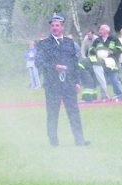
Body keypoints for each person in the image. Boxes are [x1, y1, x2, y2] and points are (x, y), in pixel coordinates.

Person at [35, 13, 90, 147]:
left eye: (57, 25)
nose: (54, 27)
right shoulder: (43, 44)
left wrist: (77, 82)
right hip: (52, 85)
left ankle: (80, 140)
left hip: (69, 84)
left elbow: (74, 63)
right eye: (52, 25)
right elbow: (39, 63)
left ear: (62, 27)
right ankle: (53, 142)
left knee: (74, 113)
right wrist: (54, 67)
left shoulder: (70, 43)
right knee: (53, 114)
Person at [91, 24, 122, 101]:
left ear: (106, 31)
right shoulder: (97, 40)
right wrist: (95, 52)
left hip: (112, 62)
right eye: (99, 30)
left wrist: (112, 52)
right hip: (101, 63)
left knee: (114, 78)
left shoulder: (114, 39)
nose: (99, 31)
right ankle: (104, 96)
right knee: (102, 79)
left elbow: (119, 49)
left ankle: (119, 95)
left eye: (101, 29)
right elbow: (91, 50)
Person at [81, 28, 108, 101]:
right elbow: (83, 49)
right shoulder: (86, 39)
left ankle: (102, 96)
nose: (88, 35)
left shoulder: (97, 39)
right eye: (87, 34)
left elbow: (100, 51)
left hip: (95, 62)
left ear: (92, 34)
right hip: (91, 63)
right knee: (93, 81)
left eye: (89, 34)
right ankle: (97, 96)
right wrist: (84, 57)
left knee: (97, 81)